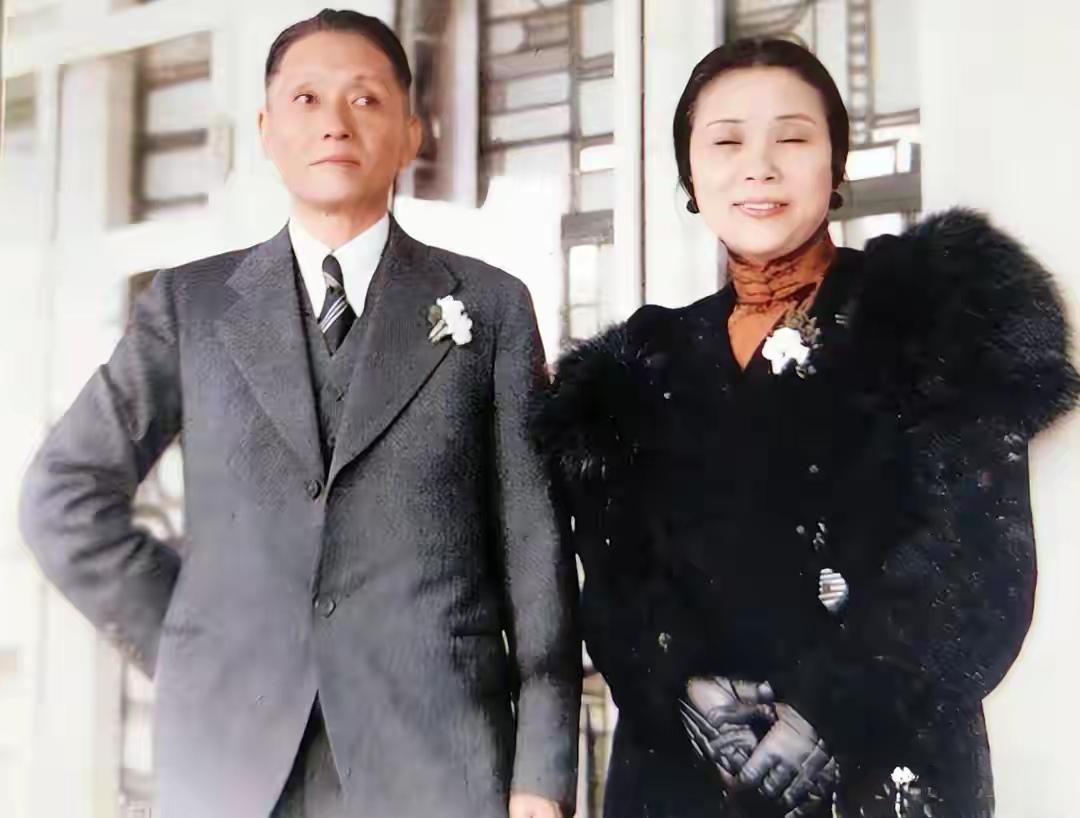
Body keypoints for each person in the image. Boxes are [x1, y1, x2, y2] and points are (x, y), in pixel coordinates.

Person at [19, 9, 580, 818]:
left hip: (435, 759)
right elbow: (61, 496)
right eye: (306, 99)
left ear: (411, 133)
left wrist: (541, 775)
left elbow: (536, 554)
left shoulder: (489, 307)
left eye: (366, 99)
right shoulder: (192, 305)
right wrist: (196, 636)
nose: (334, 123)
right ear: (266, 131)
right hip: (231, 761)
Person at [533, 37, 1078, 818]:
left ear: (836, 164)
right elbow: (615, 589)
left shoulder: (929, 319)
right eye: (726, 143)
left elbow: (978, 571)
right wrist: (685, 685)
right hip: (684, 778)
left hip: (884, 771)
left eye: (791, 138)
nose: (758, 167)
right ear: (690, 177)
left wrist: (826, 711)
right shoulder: (634, 368)